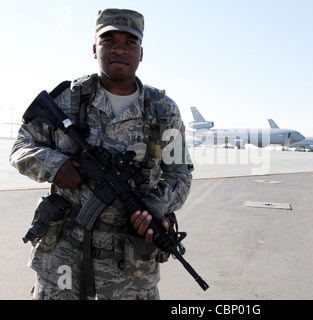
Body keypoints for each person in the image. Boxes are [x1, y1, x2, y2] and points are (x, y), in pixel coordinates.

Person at [9, 8, 194, 300]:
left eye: (130, 42)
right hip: (63, 259)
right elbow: (20, 148)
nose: (120, 49)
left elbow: (180, 177)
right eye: (109, 40)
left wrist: (153, 208)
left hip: (130, 269)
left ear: (141, 52)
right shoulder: (67, 99)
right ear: (95, 48)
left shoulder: (163, 110)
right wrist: (57, 165)